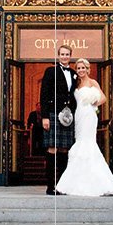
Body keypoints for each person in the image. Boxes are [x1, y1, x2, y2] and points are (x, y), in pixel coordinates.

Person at [54, 58, 113, 196]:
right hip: (78, 115)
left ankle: (96, 182)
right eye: (78, 68)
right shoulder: (76, 83)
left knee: (87, 143)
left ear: (87, 69)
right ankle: (77, 182)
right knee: (79, 142)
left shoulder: (92, 82)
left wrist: (93, 102)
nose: (80, 70)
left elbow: (103, 98)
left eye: (83, 68)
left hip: (89, 115)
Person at [40, 44, 77, 194]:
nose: (65, 56)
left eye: (67, 54)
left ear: (70, 56)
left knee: (64, 150)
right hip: (54, 114)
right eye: (62, 54)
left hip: (68, 116)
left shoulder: (74, 73)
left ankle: (61, 186)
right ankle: (50, 186)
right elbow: (44, 94)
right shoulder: (51, 71)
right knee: (52, 149)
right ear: (58, 55)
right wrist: (44, 117)